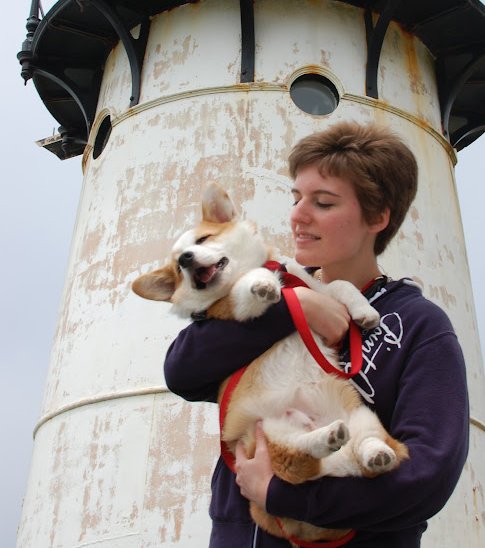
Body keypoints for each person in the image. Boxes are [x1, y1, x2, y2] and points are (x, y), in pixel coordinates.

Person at [164, 121, 469, 547]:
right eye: (296, 198)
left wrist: (284, 497)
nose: (298, 215)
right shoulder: (273, 293)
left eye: (323, 202)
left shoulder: (419, 324)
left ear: (378, 217)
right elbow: (182, 371)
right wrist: (295, 307)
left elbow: (428, 476)